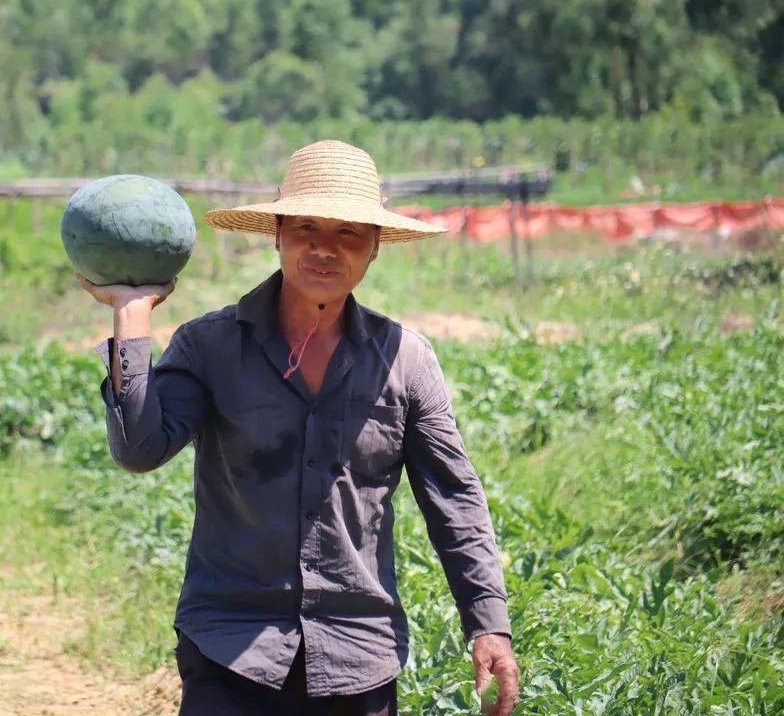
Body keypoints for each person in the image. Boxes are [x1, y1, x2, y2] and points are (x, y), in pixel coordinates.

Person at [77, 140, 520, 716]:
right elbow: (139, 448)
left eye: (348, 233)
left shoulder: (406, 361)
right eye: (307, 227)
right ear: (277, 234)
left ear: (375, 248)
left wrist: (489, 625)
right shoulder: (210, 346)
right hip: (229, 647)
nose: (324, 249)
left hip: (356, 654)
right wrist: (131, 319)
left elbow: (455, 501)